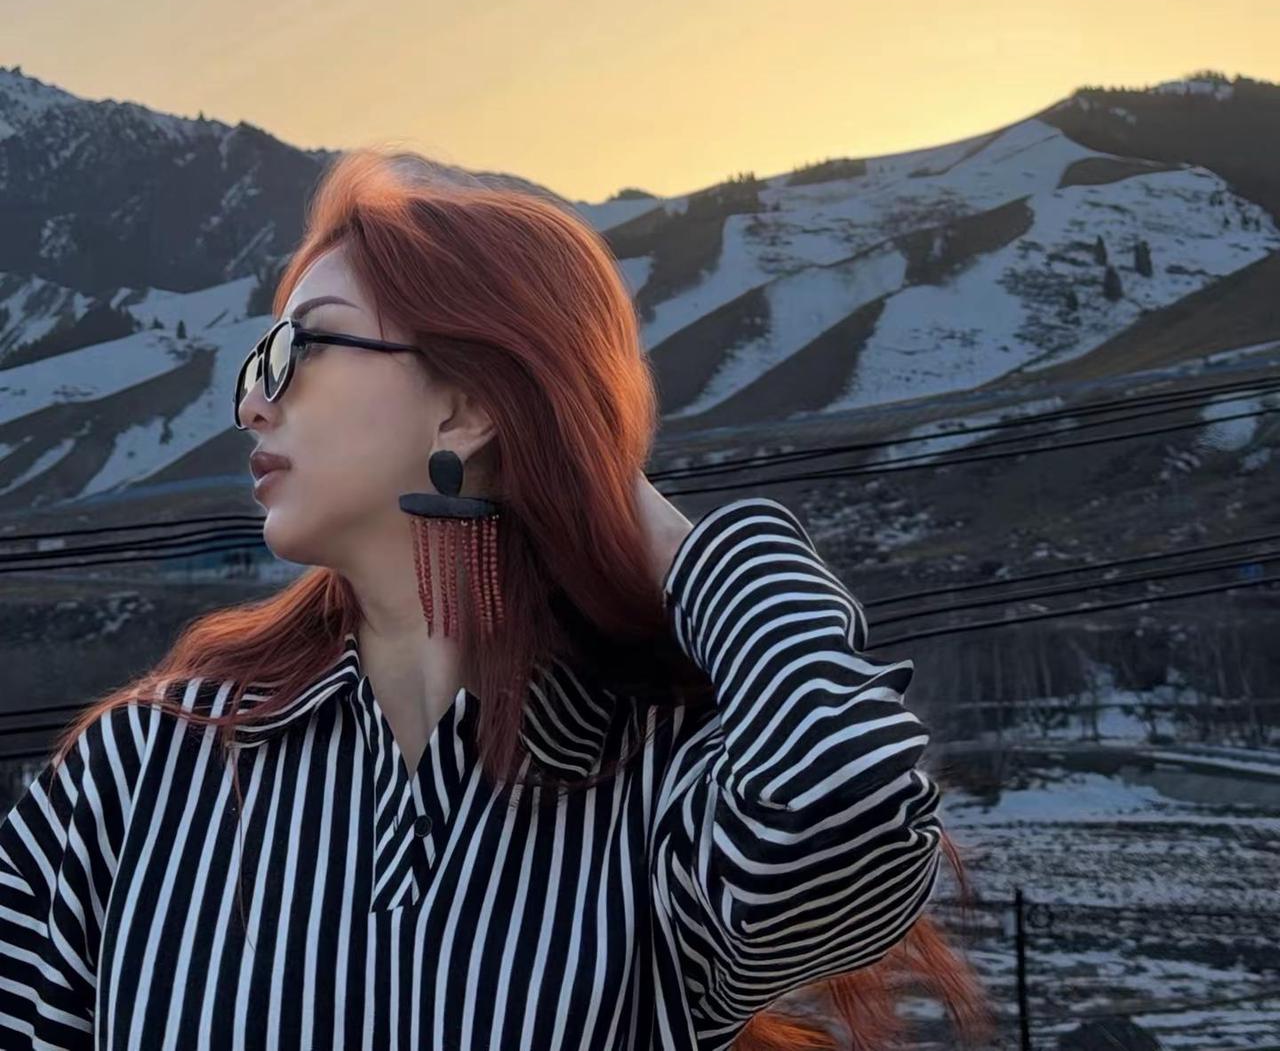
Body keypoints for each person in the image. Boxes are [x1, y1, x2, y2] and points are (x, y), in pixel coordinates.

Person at [0, 148, 994, 1050]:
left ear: (469, 404)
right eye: (259, 362)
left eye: (303, 348)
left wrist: (632, 505)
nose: (255, 402)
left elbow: (846, 810)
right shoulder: (146, 768)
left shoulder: (652, 784)